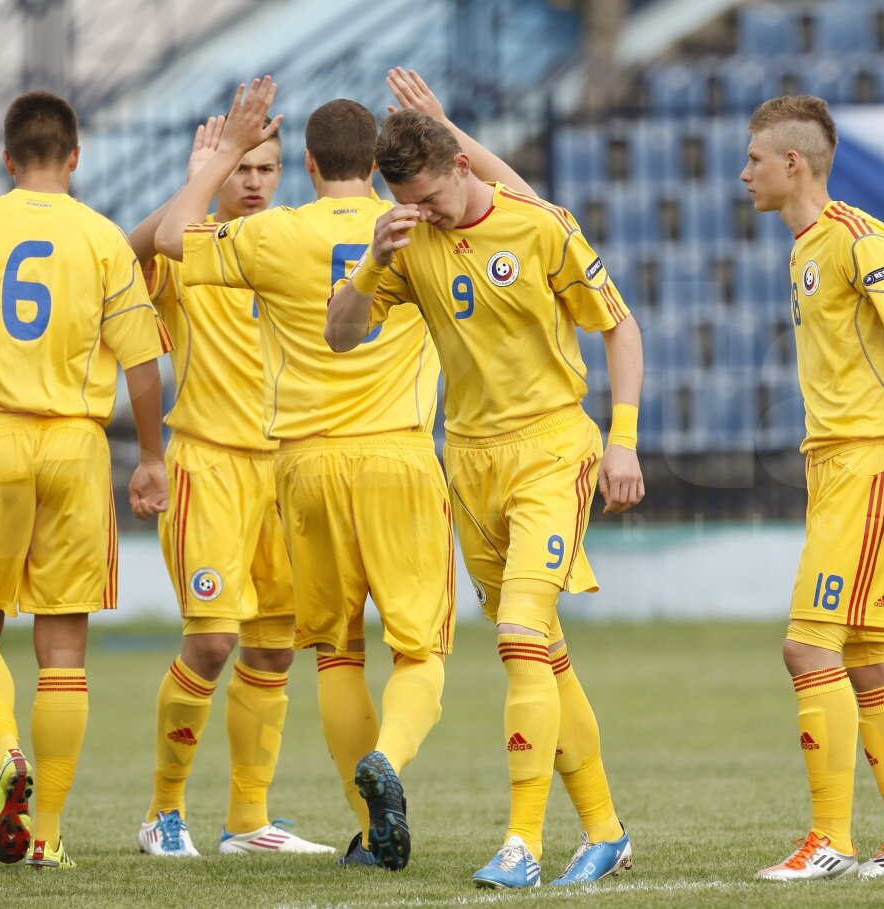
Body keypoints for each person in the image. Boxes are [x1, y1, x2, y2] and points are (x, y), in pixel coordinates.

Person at [326, 70, 646, 890]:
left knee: (517, 637)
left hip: (551, 450)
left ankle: (523, 843)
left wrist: (624, 440)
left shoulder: (540, 229)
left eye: (432, 196)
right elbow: (340, 337)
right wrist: (369, 262)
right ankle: (606, 832)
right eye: (411, 201)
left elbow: (621, 328)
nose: (424, 212)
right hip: (468, 464)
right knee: (544, 655)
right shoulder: (407, 240)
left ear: (462, 168)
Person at [154, 77, 455, 872]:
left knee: (333, 652)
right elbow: (519, 205)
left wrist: (216, 160)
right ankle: (386, 761)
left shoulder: (276, 235)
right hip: (397, 455)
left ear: (309, 165)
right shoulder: (428, 226)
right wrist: (442, 132)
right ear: (383, 163)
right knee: (420, 652)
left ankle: (365, 824)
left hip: (304, 462)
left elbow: (172, 236)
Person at [0, 90, 171, 870]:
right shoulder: (101, 238)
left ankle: (4, 748)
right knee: (63, 651)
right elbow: (144, 365)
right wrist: (151, 455)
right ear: (76, 157)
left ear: (7, 156)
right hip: (77, 447)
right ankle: (47, 833)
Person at [740, 95, 884, 881]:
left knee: (807, 646)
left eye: (755, 159)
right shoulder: (805, 247)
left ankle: (830, 838)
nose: (744, 172)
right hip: (836, 466)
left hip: (871, 464)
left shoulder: (858, 238)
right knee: (869, 658)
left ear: (792, 162)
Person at [126, 115, 332, 858]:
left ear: (286, 175)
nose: (252, 182)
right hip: (209, 466)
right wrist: (196, 180)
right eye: (240, 169)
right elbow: (128, 252)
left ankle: (248, 819)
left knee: (275, 649)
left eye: (265, 169)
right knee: (212, 640)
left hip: (285, 470)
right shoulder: (191, 248)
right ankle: (163, 811)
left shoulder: (291, 251)